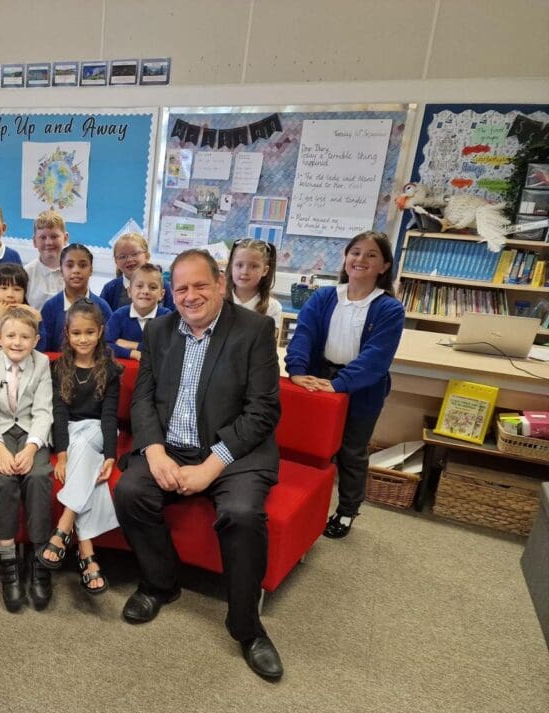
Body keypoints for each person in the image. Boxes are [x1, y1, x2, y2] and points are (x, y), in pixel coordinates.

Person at [114, 248, 284, 681]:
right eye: (182, 288)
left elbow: (262, 411)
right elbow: (144, 398)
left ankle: (246, 627)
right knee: (130, 490)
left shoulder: (255, 330)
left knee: (243, 514)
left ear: (221, 285)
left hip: (234, 450)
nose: (190, 296)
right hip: (170, 446)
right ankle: (160, 584)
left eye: (200, 285)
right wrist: (153, 451)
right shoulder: (159, 331)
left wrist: (212, 465)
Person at [284, 230, 405, 539]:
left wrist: (340, 384)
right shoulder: (324, 297)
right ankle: (303, 505)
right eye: (355, 252)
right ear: (346, 258)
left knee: (351, 451)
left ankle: (347, 510)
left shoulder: (389, 308)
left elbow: (376, 358)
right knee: (308, 447)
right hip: (316, 378)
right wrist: (297, 371)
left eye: (371, 255)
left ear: (384, 266)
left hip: (361, 387)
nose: (360, 259)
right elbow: (303, 335)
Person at [0, 306, 54, 612]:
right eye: (10, 336)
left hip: (32, 430)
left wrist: (32, 448)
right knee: (4, 480)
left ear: (35, 339)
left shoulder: (43, 363)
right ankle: (9, 563)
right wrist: (1, 450)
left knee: (37, 477)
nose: (17, 342)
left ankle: (39, 560)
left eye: (24, 336)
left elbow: (44, 412)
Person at [38, 300, 121, 594]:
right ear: (67, 333)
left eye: (89, 332)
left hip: (97, 431)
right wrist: (61, 454)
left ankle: (64, 525)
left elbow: (109, 416)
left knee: (86, 442)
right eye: (76, 333)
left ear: (99, 332)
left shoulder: (110, 369)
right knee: (83, 460)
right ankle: (86, 553)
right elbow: (59, 413)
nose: (82, 339)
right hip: (71, 433)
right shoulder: (58, 367)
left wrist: (110, 455)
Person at [39, 244, 113, 353]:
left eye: (83, 265)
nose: (76, 270)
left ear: (91, 270)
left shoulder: (102, 307)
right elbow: (44, 348)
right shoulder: (50, 307)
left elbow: (110, 345)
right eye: (69, 266)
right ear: (61, 270)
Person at [105, 263, 170, 361]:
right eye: (139, 286)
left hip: (155, 375)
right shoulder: (119, 315)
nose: (145, 291)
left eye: (153, 287)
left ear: (161, 294)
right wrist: (133, 353)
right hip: (123, 374)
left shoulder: (166, 317)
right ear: (129, 291)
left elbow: (166, 348)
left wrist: (132, 345)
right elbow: (105, 346)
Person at [99, 233, 174, 312]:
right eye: (122, 256)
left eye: (135, 254)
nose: (129, 260)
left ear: (147, 256)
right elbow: (100, 318)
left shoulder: (164, 286)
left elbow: (174, 318)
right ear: (116, 261)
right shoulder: (110, 289)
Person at [0, 261, 46, 352]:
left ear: (24, 292)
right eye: (4, 288)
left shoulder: (31, 315)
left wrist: (38, 321)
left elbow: (40, 349)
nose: (10, 294)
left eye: (17, 289)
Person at [224, 239, 283, 332]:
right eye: (239, 265)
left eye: (254, 266)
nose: (244, 272)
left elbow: (268, 344)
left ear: (265, 270)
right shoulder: (217, 300)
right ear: (231, 266)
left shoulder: (272, 307)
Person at [24, 210, 68, 310]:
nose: (49, 242)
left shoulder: (74, 272)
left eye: (54, 236)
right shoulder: (26, 273)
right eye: (43, 237)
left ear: (65, 238)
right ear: (35, 241)